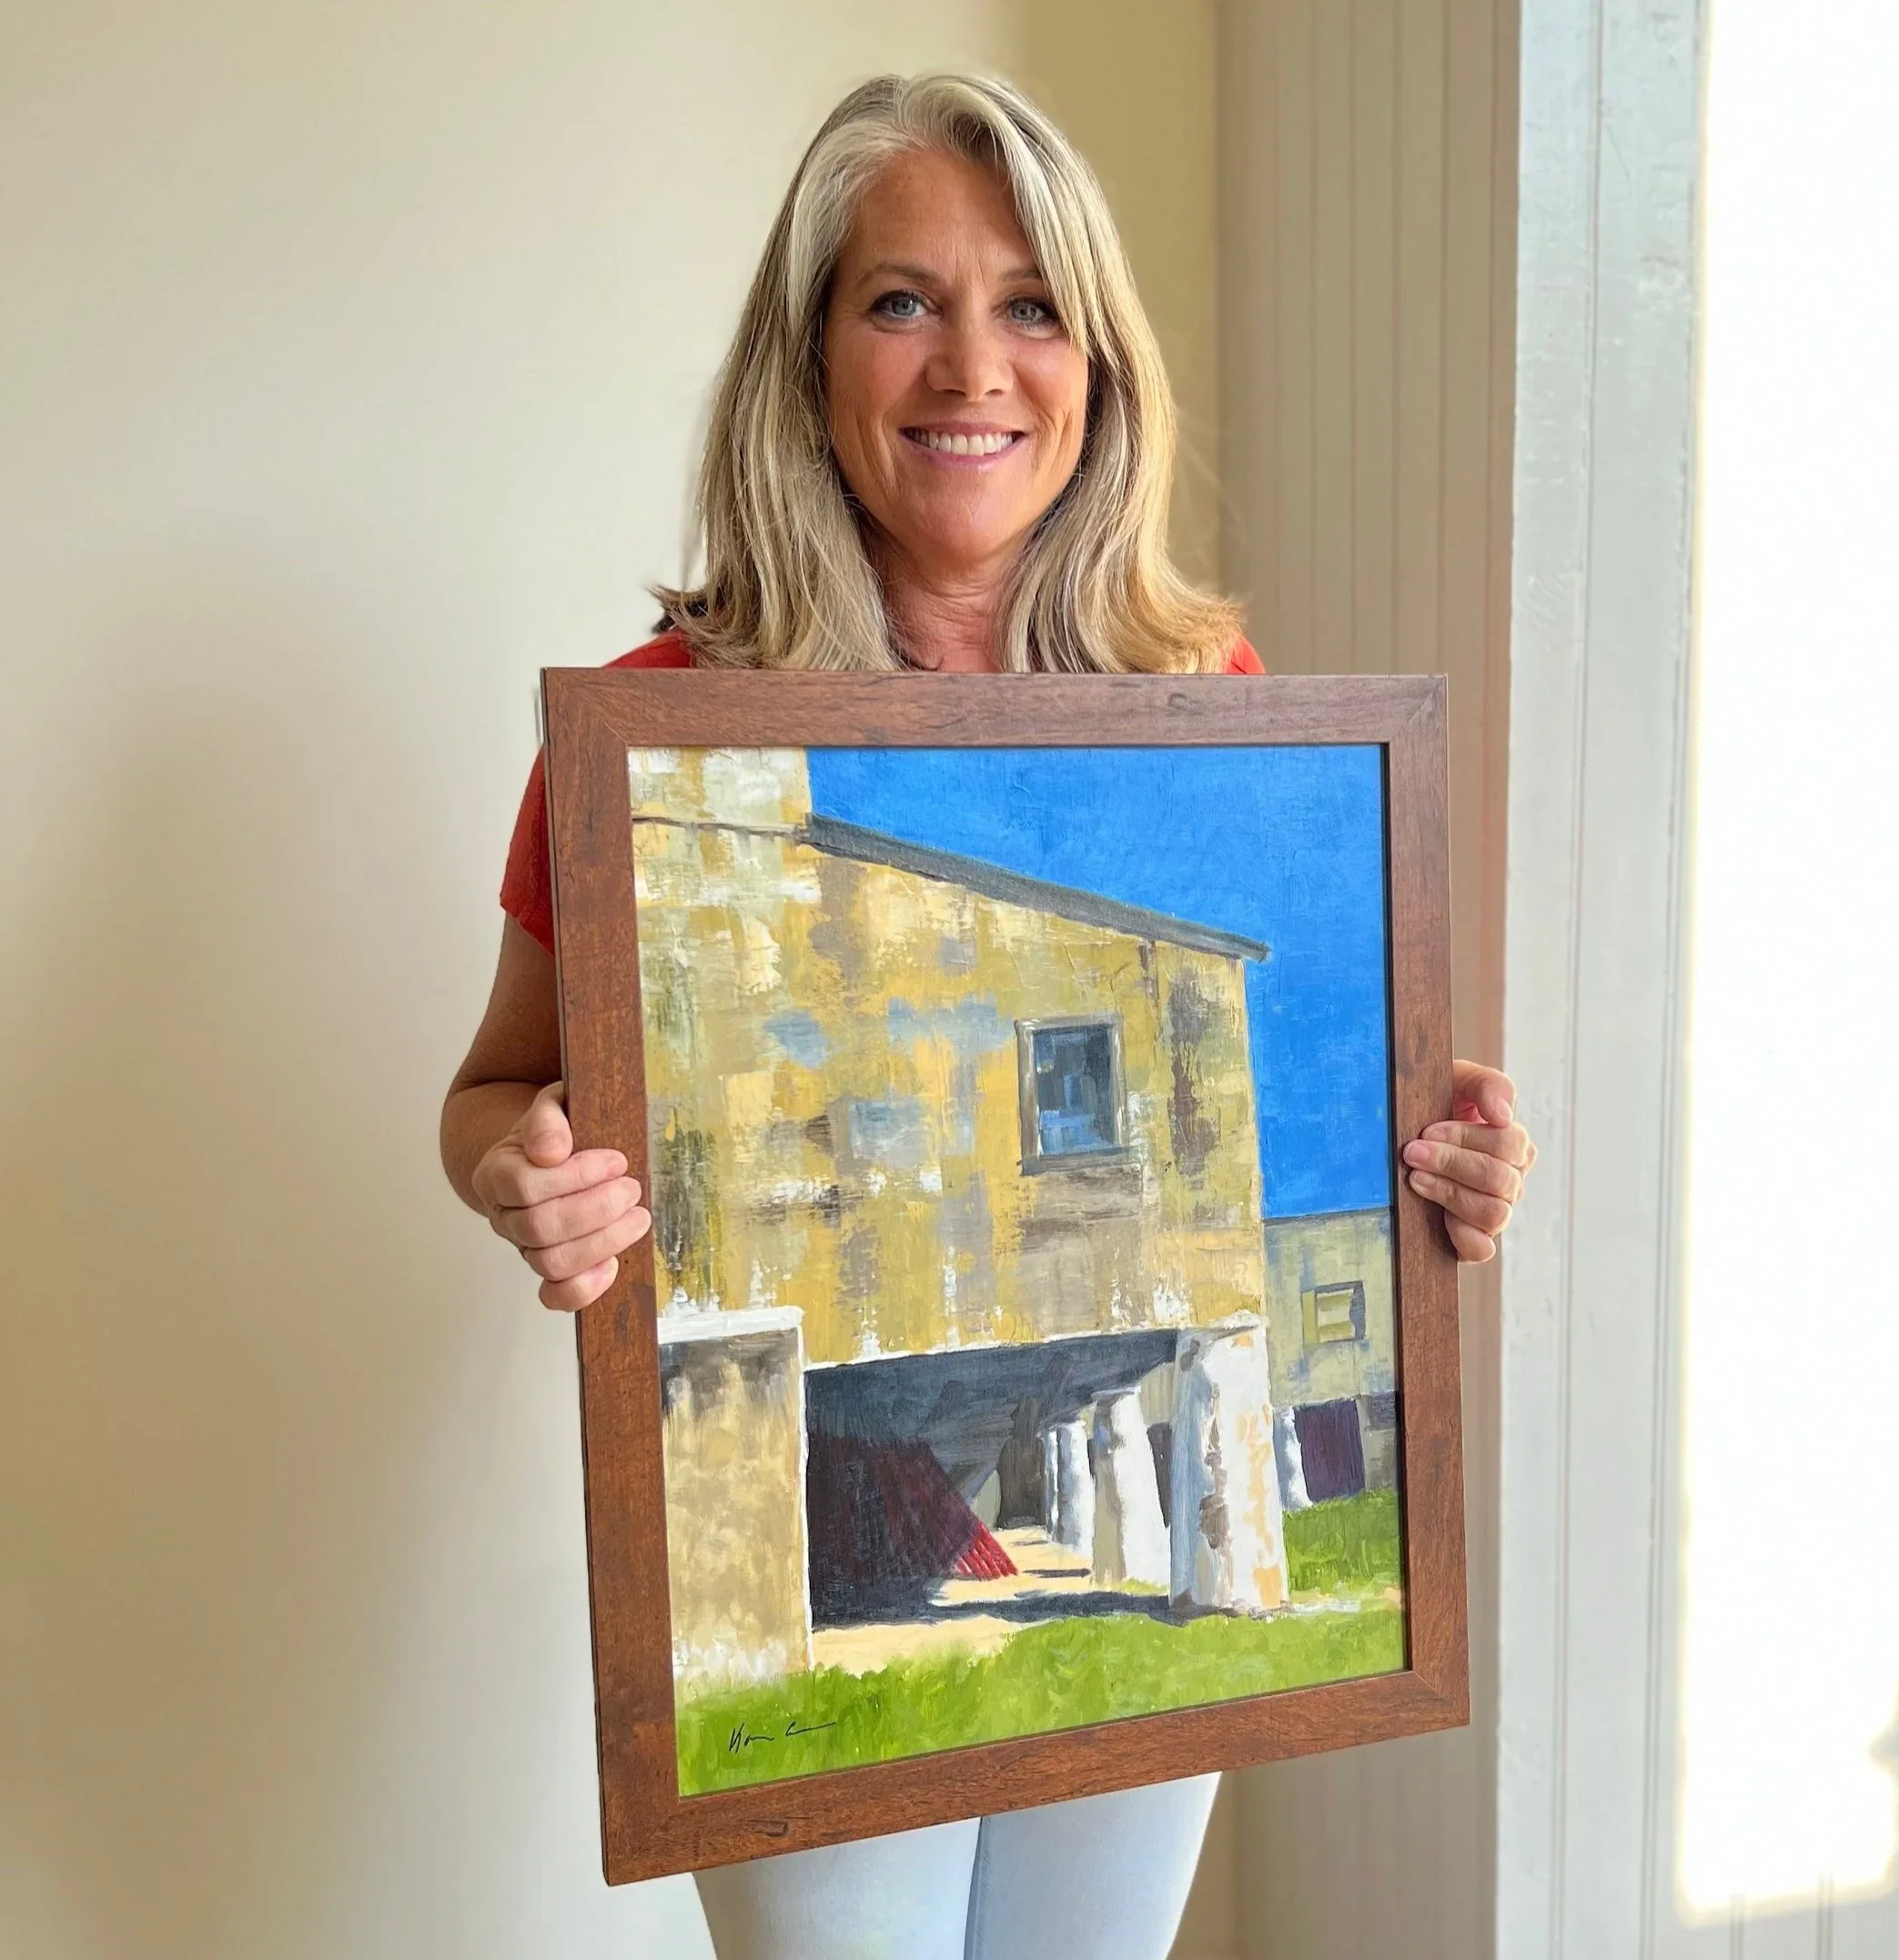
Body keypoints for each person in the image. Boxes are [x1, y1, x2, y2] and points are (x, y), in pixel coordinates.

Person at [439, 71, 1535, 1960]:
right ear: (813, 362)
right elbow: (491, 1090)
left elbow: (1355, 1100)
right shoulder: (653, 732)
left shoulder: (1214, 701)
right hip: (765, 1564)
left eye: (1032, 303)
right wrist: (518, 1174)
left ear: (1097, 365)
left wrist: (1454, 1174)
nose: (974, 366)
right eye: (902, 301)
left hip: (1115, 1673)